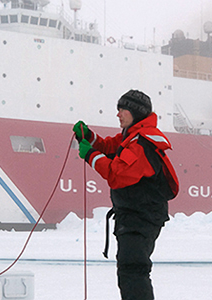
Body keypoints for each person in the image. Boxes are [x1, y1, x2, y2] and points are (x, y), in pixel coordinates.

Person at [73, 90, 179, 300]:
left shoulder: (141, 144)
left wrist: (90, 155)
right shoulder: (132, 137)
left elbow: (116, 175)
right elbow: (111, 147)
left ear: (136, 112)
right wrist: (90, 138)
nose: (118, 114)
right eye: (118, 109)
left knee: (133, 271)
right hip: (134, 216)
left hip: (141, 218)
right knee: (130, 270)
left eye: (123, 109)